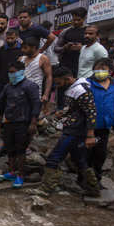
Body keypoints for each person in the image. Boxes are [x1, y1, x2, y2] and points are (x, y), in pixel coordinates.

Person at [41, 67, 99, 196]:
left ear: (67, 79)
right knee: (79, 160)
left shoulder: (81, 90)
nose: (57, 85)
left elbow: (91, 113)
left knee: (54, 158)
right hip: (73, 128)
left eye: (59, 82)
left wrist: (90, 135)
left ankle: (46, 188)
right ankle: (93, 189)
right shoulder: (73, 88)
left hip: (75, 131)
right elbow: (75, 108)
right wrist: (62, 113)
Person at [0, 60, 41, 188]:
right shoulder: (8, 87)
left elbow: (36, 104)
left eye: (13, 72)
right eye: (9, 72)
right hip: (9, 121)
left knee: (20, 150)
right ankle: (11, 172)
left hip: (23, 123)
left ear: (21, 72)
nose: (11, 75)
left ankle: (20, 175)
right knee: (10, 148)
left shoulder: (30, 86)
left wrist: (33, 122)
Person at [86, 58, 114, 185]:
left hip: (105, 127)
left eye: (103, 69)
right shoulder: (87, 84)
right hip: (89, 126)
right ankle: (84, 178)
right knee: (87, 153)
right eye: (97, 68)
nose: (100, 71)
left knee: (100, 153)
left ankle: (96, 178)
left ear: (110, 71)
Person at [0, 29, 23, 146]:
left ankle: (9, 132)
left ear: (17, 37)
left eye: (12, 38)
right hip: (2, 83)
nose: (9, 40)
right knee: (0, 108)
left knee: (13, 108)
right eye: (8, 38)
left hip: (16, 83)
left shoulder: (21, 50)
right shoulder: (2, 50)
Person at [54, 7, 87, 79]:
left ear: (84, 18)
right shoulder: (65, 32)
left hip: (83, 67)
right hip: (66, 66)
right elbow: (56, 48)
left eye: (79, 20)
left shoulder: (89, 32)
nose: (76, 22)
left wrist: (82, 48)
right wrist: (64, 47)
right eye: (74, 19)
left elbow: (96, 47)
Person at [19, 37, 53, 105]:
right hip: (20, 92)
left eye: (25, 48)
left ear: (33, 48)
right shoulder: (21, 59)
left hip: (35, 92)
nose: (22, 50)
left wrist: (46, 94)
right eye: (22, 48)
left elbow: (49, 77)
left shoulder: (43, 59)